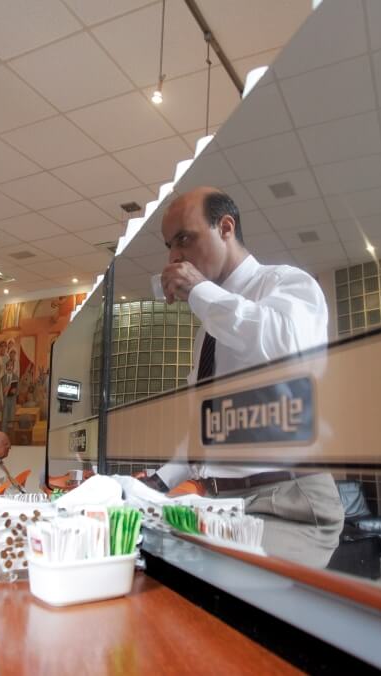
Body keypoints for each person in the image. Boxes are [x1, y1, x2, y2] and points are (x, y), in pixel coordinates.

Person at [143, 186, 343, 568]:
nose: (173, 256)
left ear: (226, 228)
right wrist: (159, 480)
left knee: (213, 586)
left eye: (184, 238)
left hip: (288, 501)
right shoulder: (208, 330)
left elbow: (288, 348)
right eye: (170, 245)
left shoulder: (286, 282)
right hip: (226, 502)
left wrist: (200, 292)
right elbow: (210, 427)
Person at [2, 356, 19, 435]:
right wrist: (4, 390)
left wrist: (15, 391)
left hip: (12, 400)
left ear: (13, 367)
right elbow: (0, 391)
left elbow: (18, 391)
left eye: (11, 366)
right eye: (8, 366)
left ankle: (11, 436)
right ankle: (3, 435)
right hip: (5, 400)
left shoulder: (16, 377)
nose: (9, 367)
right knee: (4, 418)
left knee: (11, 418)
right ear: (6, 367)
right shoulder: (3, 378)